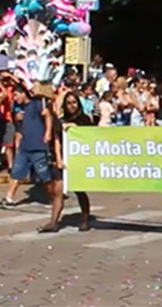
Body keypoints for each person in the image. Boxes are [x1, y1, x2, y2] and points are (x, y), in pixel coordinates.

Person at [0, 84, 63, 233]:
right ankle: (9, 197)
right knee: (17, 171)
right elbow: (20, 126)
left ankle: (54, 198)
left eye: (16, 95)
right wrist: (17, 120)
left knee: (45, 176)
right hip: (25, 145)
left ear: (22, 93)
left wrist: (47, 133)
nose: (15, 98)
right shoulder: (21, 109)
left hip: (38, 146)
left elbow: (48, 117)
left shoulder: (38, 104)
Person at [57, 92, 93, 231]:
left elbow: (90, 135)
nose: (71, 106)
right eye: (69, 103)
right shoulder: (61, 120)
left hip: (80, 158)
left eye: (74, 102)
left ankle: (85, 218)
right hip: (65, 158)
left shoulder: (84, 119)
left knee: (80, 190)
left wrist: (74, 127)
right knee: (57, 190)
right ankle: (55, 219)